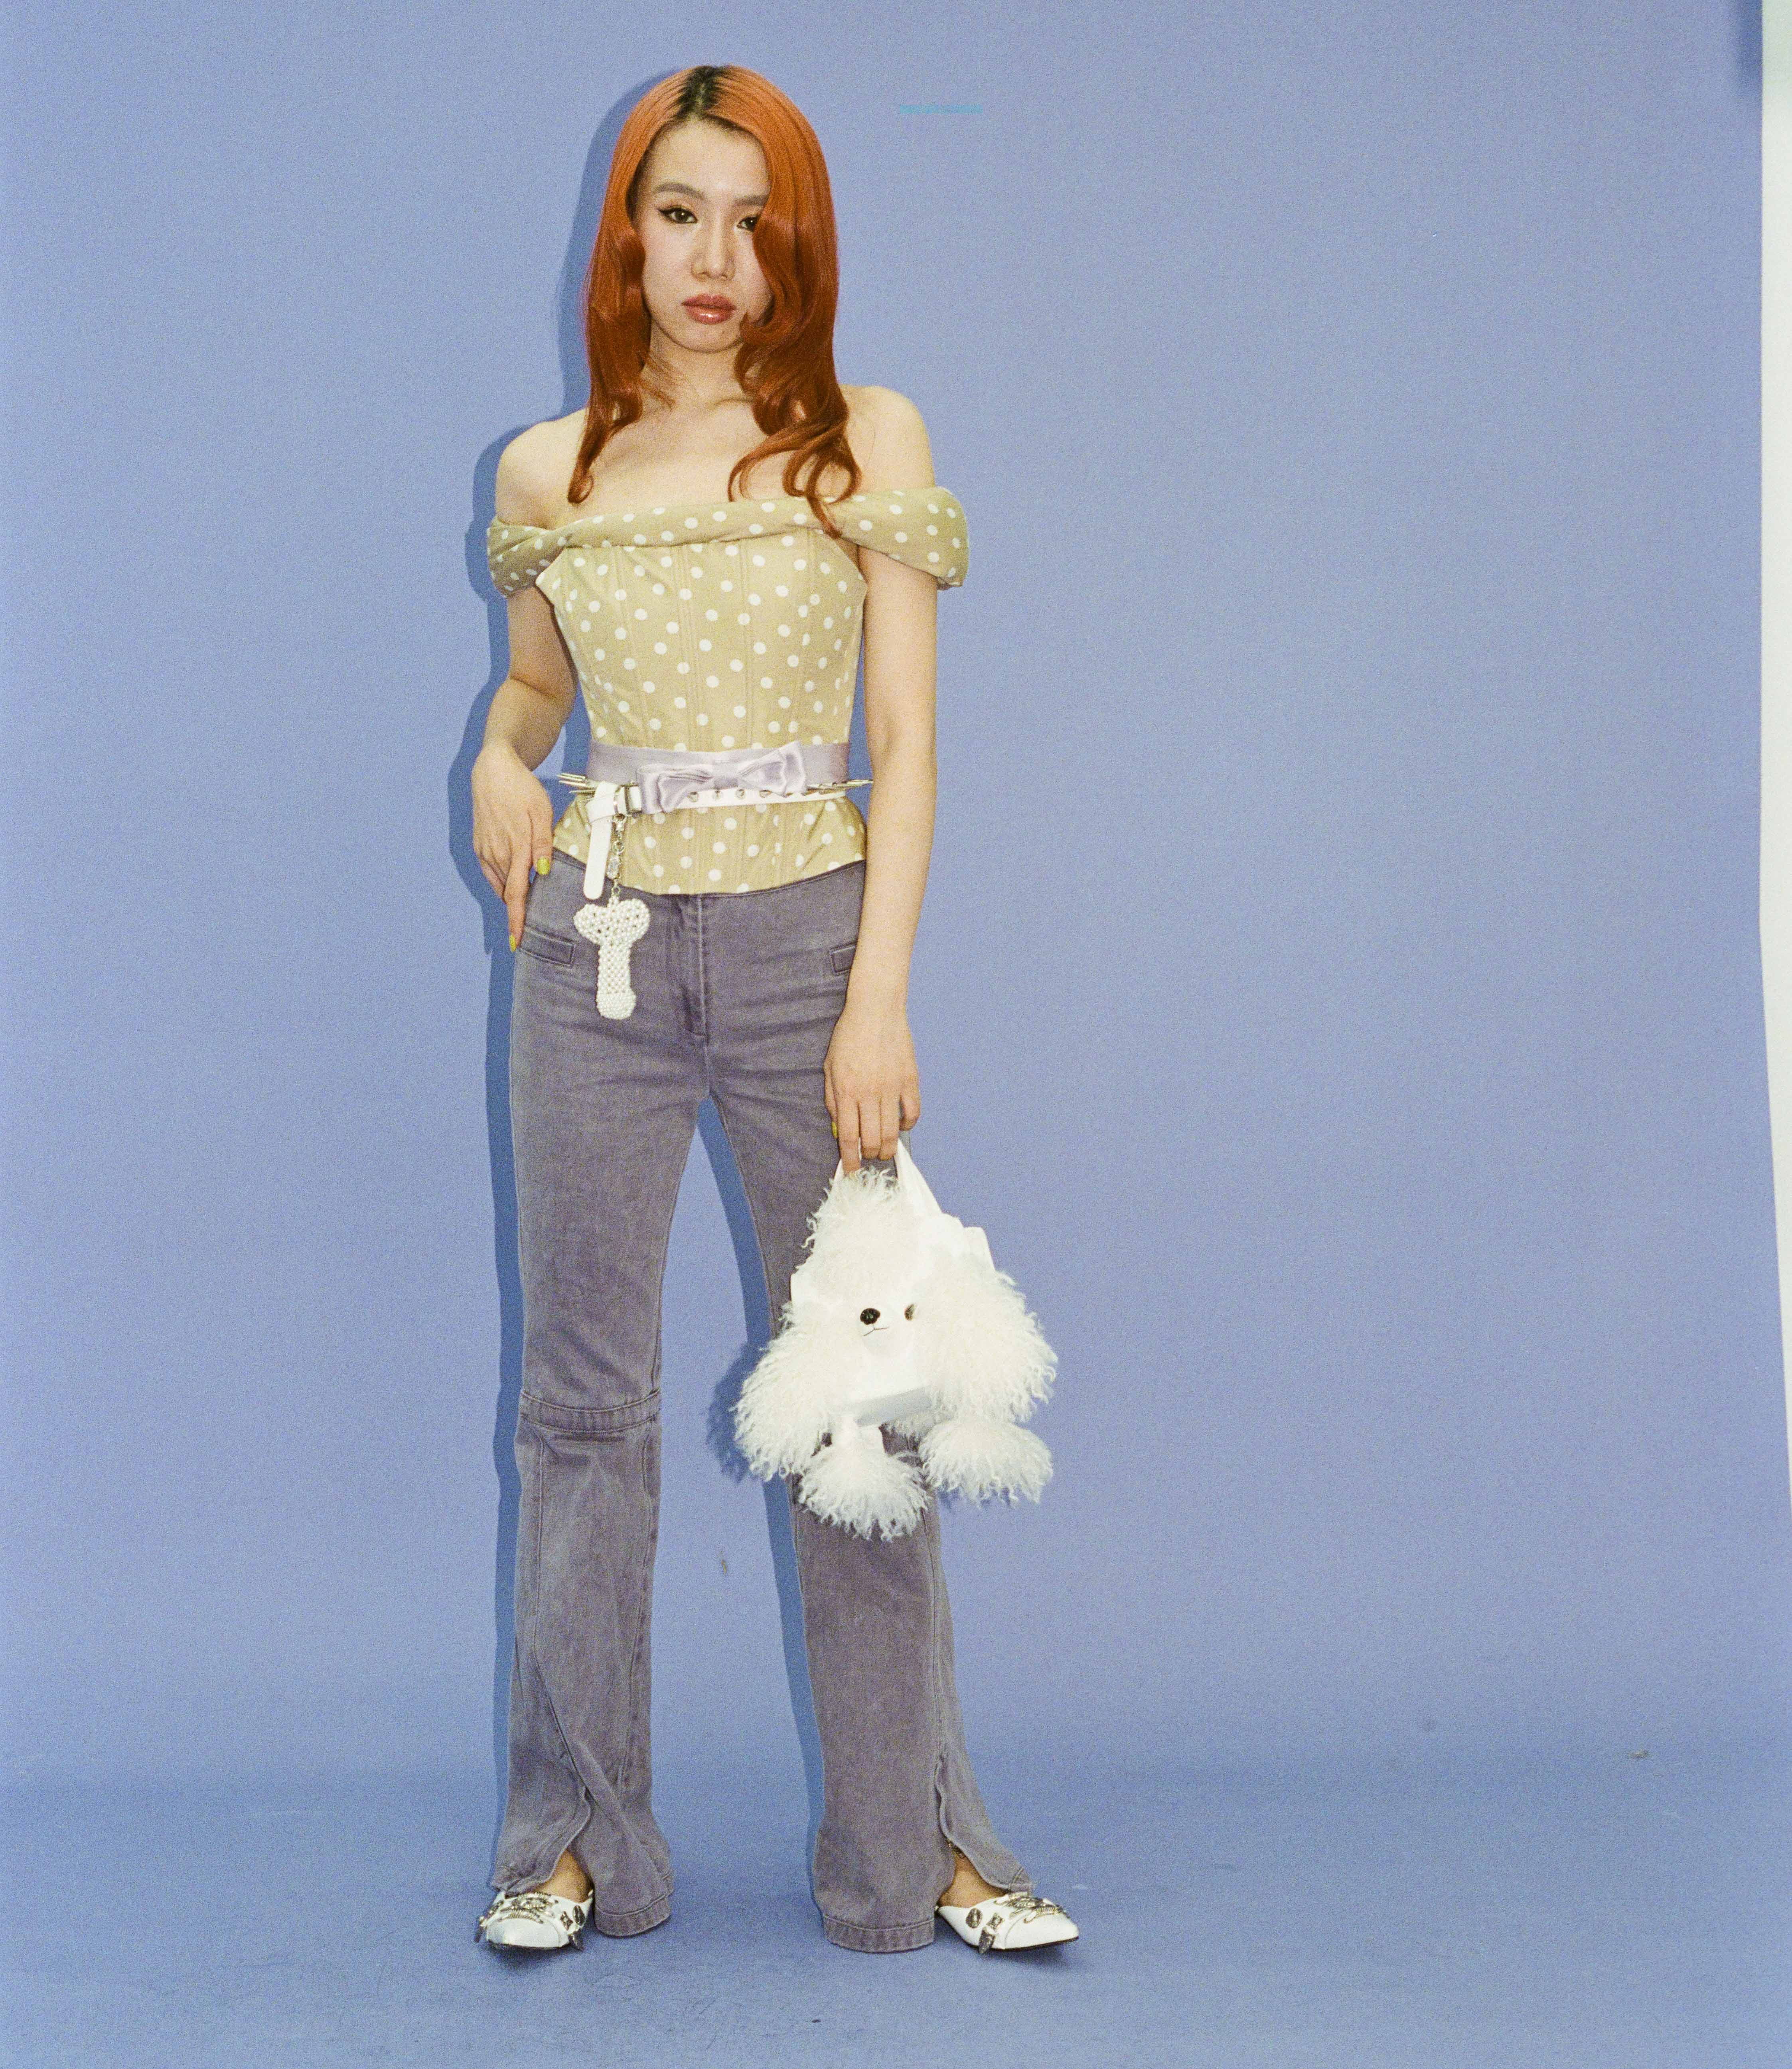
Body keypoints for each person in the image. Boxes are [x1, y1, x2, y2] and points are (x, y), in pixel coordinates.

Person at [467, 63, 1078, 1959]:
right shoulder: (549, 472)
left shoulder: (860, 440)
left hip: (810, 946)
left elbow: (905, 738)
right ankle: (571, 1836)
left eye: (755, 220)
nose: (714, 257)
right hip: (596, 952)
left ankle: (925, 1847)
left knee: (861, 1405)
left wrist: (875, 996)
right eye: (679, 214)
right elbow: (533, 694)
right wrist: (495, 757)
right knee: (580, 1408)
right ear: (626, 235)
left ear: (797, 243)